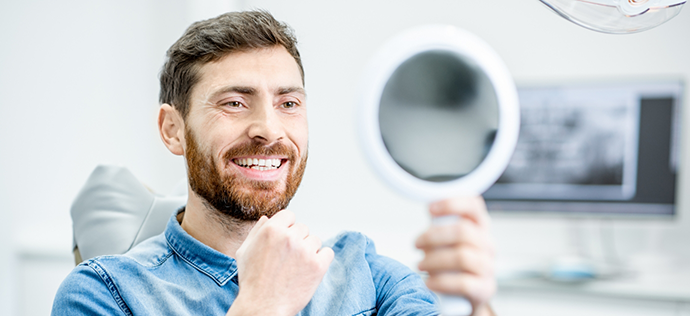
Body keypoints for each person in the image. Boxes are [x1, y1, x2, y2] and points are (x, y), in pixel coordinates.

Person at [52, 10, 496, 316]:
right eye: (234, 102)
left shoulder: (369, 277)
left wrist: (475, 305)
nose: (268, 129)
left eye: (288, 103)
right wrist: (261, 304)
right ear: (173, 130)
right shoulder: (105, 292)